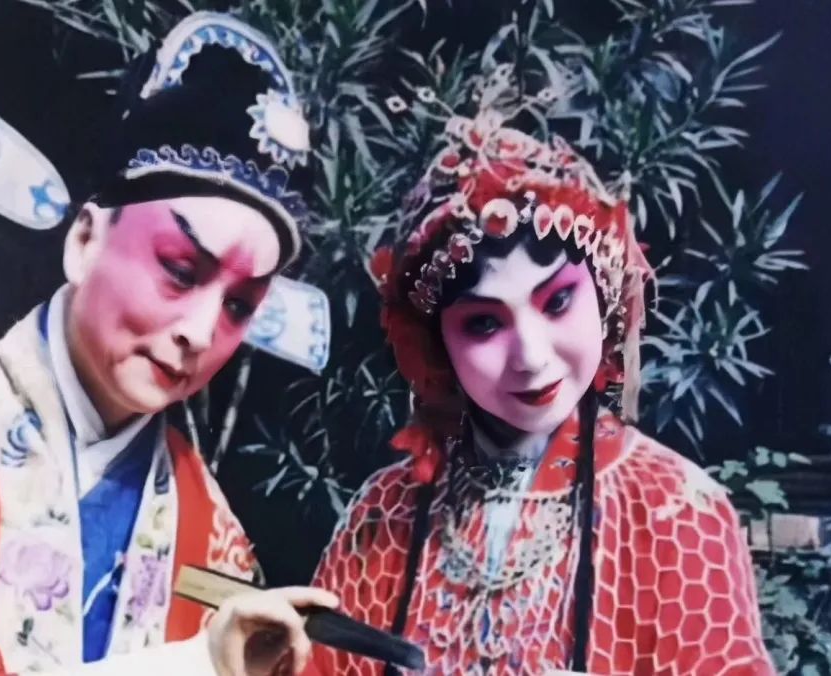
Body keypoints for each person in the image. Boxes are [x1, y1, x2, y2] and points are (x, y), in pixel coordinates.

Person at [0, 12, 335, 676]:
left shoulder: (203, 519)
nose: (199, 330)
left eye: (239, 306)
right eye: (180, 270)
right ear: (85, 240)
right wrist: (194, 666)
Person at [308, 91, 774, 674]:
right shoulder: (385, 512)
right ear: (436, 345)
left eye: (556, 302)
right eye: (483, 324)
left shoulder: (676, 512)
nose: (530, 357)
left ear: (603, 297)